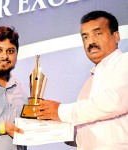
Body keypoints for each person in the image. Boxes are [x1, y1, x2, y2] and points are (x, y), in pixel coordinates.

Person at [33, 10, 128, 150]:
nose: (91, 42)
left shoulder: (124, 61)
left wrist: (60, 111)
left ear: (116, 36)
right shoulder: (89, 83)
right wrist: (55, 127)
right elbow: (87, 127)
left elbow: (113, 102)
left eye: (98, 33)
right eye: (85, 37)